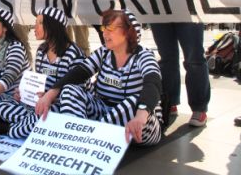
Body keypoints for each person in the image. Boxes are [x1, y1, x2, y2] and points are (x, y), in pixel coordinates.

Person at [51, 9, 163, 146]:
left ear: (128, 32)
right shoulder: (104, 52)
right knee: (69, 89)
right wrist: (51, 93)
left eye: (110, 28)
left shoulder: (144, 56)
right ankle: (77, 138)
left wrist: (141, 115)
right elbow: (80, 71)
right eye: (104, 28)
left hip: (140, 123)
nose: (104, 33)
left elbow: (153, 83)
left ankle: (88, 139)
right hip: (105, 113)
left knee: (134, 101)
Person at [0, 7, 86, 138]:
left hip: (59, 106)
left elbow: (77, 92)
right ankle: (29, 124)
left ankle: (11, 129)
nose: (34, 27)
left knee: (45, 114)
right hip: (40, 104)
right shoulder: (41, 50)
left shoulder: (73, 53)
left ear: (52, 26)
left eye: (39, 23)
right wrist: (25, 92)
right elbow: (40, 84)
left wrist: (50, 97)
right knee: (4, 106)